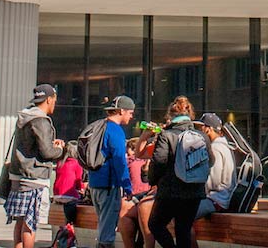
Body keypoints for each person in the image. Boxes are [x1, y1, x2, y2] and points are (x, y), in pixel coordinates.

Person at [5, 85, 66, 248]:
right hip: (34, 178)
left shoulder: (25, 117)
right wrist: (59, 149)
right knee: (30, 225)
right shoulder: (40, 120)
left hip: (18, 176)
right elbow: (47, 152)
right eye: (54, 100)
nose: (55, 104)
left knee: (20, 222)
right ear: (48, 99)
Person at [146, 96, 210, 248]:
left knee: (155, 224)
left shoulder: (166, 135)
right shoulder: (202, 136)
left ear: (171, 115)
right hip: (194, 191)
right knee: (184, 230)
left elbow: (159, 161)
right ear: (190, 115)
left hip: (170, 190)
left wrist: (152, 180)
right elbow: (210, 161)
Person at [91, 95, 136, 248]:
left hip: (94, 182)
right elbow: (119, 160)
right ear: (121, 111)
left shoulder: (99, 126)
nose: (132, 116)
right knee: (108, 231)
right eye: (130, 112)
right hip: (109, 185)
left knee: (102, 225)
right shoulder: (115, 131)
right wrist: (127, 186)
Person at [193, 112, 236, 219]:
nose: (199, 132)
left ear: (209, 129)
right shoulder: (225, 146)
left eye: (201, 128)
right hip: (221, 197)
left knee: (183, 215)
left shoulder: (215, 148)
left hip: (217, 199)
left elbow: (213, 181)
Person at [53, 142, 85, 248]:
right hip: (69, 195)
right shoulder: (77, 164)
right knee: (77, 208)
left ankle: (63, 233)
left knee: (63, 216)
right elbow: (78, 181)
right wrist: (82, 189)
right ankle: (70, 236)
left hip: (57, 194)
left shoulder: (60, 163)